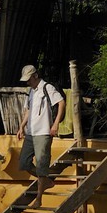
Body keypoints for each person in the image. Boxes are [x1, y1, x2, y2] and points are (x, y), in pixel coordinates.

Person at [14, 64, 65, 199]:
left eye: (29, 79)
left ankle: (39, 198)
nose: (28, 82)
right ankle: (46, 182)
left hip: (43, 132)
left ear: (35, 76)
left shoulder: (47, 87)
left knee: (42, 165)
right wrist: (22, 126)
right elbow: (28, 110)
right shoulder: (31, 91)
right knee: (24, 162)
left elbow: (61, 102)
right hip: (31, 132)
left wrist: (55, 124)